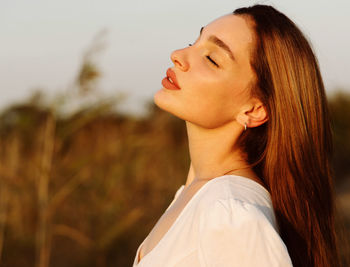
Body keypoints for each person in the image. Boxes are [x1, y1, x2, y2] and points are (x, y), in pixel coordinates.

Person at [133, 4, 340, 267]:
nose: (178, 55)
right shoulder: (197, 195)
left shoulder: (230, 212)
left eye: (211, 59)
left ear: (253, 110)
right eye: (193, 42)